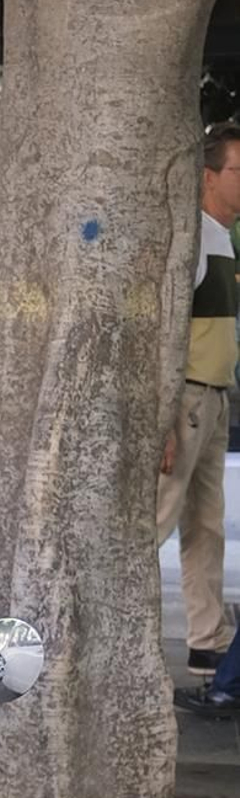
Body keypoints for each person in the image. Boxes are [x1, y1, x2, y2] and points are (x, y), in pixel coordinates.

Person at [158, 120, 240, 674]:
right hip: (187, 400)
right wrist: (163, 416)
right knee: (157, 520)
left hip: (213, 398)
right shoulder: (192, 237)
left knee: (207, 525)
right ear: (209, 176)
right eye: (238, 170)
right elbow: (164, 331)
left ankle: (207, 640)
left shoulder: (222, 237)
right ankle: (123, 634)